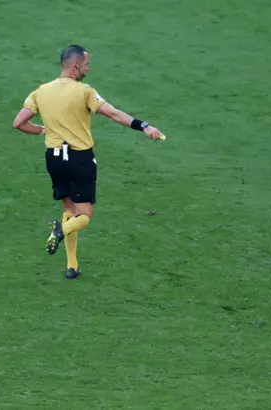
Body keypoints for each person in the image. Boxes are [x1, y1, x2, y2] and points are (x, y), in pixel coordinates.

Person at [12, 44, 166, 279]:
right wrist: (143, 125)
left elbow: (19, 123)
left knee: (69, 208)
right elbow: (113, 113)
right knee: (84, 216)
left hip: (54, 157)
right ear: (75, 66)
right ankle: (61, 230)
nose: (88, 68)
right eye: (86, 64)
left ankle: (72, 266)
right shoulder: (84, 91)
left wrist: (42, 131)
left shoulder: (40, 91)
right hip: (79, 158)